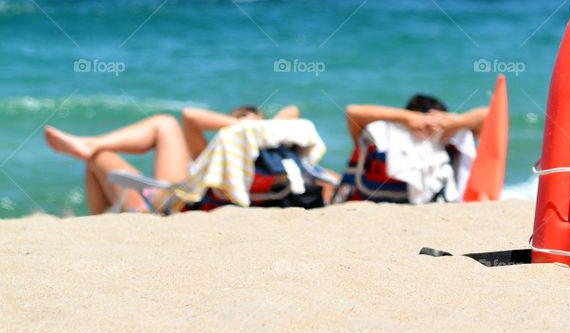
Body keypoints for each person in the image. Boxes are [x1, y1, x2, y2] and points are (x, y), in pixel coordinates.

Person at [43, 102, 299, 214]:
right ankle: (91, 146)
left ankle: (91, 145)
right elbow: (190, 116)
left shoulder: (273, 152)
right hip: (175, 197)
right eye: (241, 117)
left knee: (99, 157)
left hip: (167, 205)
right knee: (163, 125)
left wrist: (246, 126)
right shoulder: (219, 153)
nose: (247, 121)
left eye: (254, 117)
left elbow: (292, 110)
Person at [337, 94, 488, 203]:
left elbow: (488, 116)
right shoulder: (380, 141)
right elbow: (352, 111)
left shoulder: (447, 144)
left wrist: (457, 122)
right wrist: (407, 118)